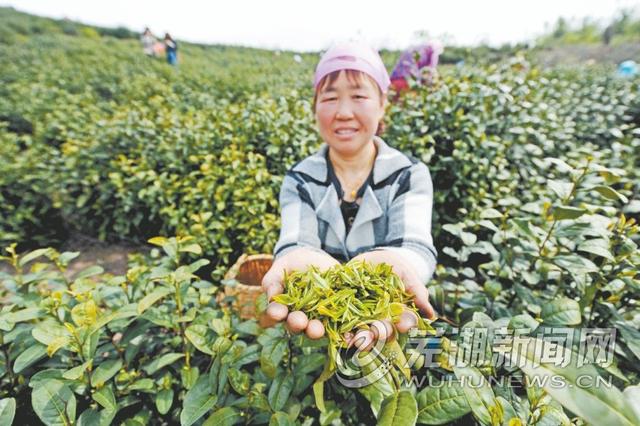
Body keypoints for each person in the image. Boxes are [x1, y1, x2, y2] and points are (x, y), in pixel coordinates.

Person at [262, 41, 437, 350]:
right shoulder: (300, 178)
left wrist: (394, 264)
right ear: (315, 107)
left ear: (383, 103)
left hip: (389, 332)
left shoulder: (408, 174)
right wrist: (294, 259)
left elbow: (416, 247)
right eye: (329, 98)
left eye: (358, 96)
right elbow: (295, 241)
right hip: (315, 341)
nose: (343, 112)